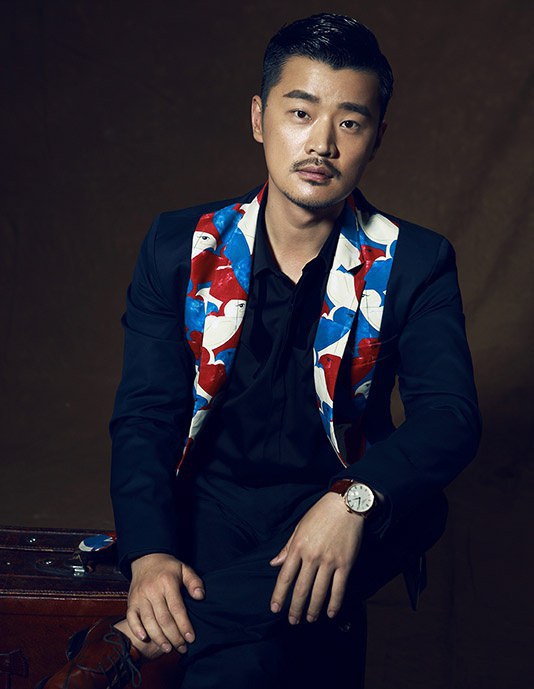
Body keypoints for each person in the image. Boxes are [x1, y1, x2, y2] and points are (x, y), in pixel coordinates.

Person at [40, 13, 481, 689]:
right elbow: (146, 416)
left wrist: (351, 499)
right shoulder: (180, 245)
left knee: (417, 504)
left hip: (335, 502)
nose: (322, 144)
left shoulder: (415, 260)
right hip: (213, 503)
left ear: (377, 138)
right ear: (259, 117)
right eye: (300, 113)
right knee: (250, 661)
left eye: (350, 123)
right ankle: (172, 634)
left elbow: (449, 417)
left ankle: (122, 648)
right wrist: (150, 555)